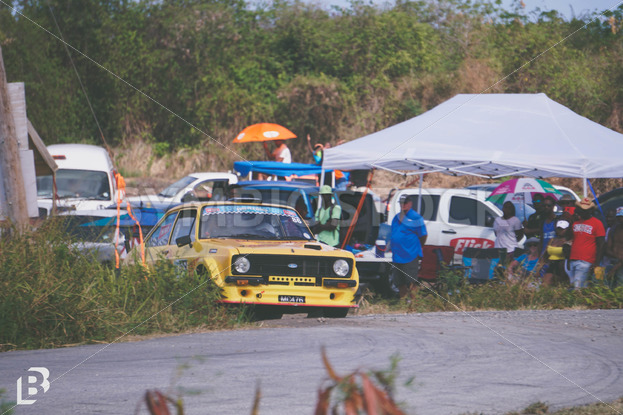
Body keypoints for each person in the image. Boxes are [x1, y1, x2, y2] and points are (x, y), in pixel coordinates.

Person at [389, 195, 428, 298]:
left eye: (405, 202)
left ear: (410, 203)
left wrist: (418, 247)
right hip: (397, 255)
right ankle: (403, 302)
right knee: (399, 282)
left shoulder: (416, 217)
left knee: (411, 282)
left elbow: (423, 235)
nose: (403, 205)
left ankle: (413, 303)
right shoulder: (396, 217)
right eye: (401, 202)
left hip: (410, 254)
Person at [568, 198, 605, 289]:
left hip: (586, 260)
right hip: (573, 258)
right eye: (581, 209)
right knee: (575, 286)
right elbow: (569, 237)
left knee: (577, 287)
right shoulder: (575, 222)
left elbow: (601, 244)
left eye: (585, 210)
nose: (583, 212)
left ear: (590, 211)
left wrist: (597, 262)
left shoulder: (597, 223)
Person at [542, 220, 573, 286]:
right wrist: (540, 265)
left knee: (559, 283)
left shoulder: (570, 241)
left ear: (567, 229)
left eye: (562, 229)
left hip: (562, 265)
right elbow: (545, 254)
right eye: (558, 229)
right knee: (546, 281)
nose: (560, 231)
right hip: (552, 264)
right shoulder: (552, 240)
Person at [604, 206, 623, 288]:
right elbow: (607, 249)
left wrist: (614, 269)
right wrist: (617, 257)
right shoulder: (613, 229)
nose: (619, 219)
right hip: (612, 261)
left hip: (620, 265)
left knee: (619, 287)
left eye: (621, 217)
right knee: (606, 287)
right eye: (618, 217)